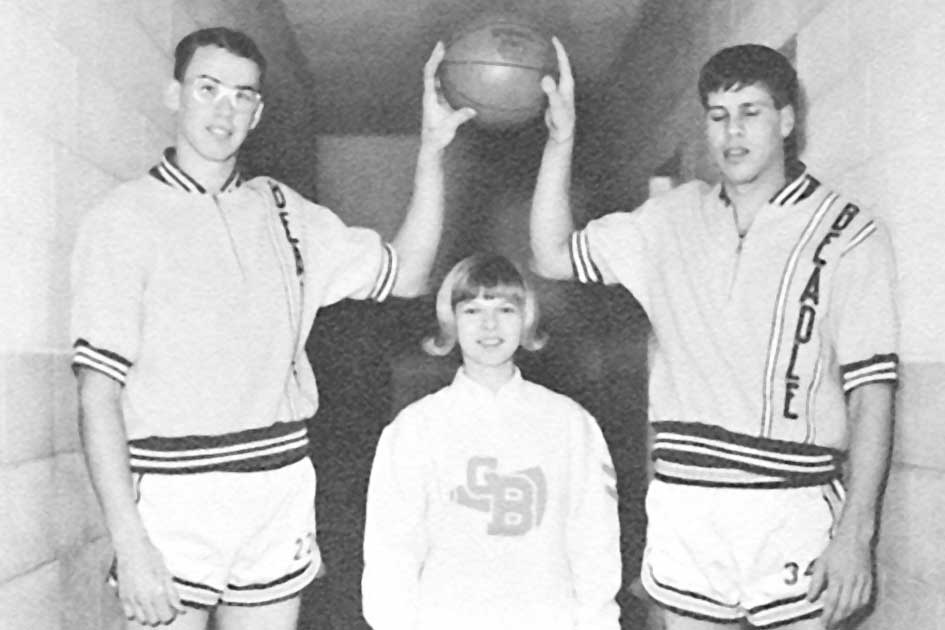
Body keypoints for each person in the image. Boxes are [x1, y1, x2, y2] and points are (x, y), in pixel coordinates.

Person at [70, 26, 475, 630]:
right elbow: (97, 395)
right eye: (207, 88)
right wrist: (130, 544)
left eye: (242, 95)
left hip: (277, 482)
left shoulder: (284, 210)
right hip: (178, 493)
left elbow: (406, 272)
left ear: (257, 112)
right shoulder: (122, 220)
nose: (223, 109)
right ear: (174, 94)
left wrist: (432, 152)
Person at [530, 41, 898, 630]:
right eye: (719, 115)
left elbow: (872, 392)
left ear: (785, 119)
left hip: (791, 500)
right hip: (686, 498)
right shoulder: (670, 218)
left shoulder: (848, 232)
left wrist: (856, 531)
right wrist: (561, 143)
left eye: (751, 112)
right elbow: (551, 255)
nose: (733, 133)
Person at [361, 253, 622, 630]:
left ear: (527, 318)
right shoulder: (415, 428)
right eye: (471, 310)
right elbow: (392, 550)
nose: (489, 325)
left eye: (505, 309)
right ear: (451, 319)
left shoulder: (569, 423)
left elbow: (594, 541)